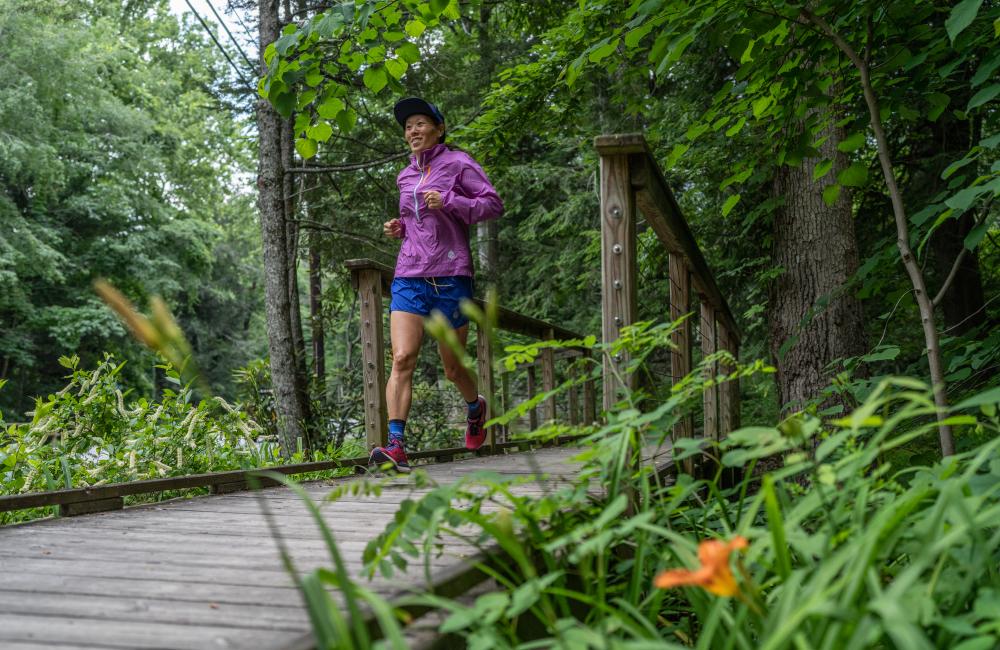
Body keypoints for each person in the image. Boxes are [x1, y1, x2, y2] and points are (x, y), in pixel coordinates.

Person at [369, 97, 504, 473]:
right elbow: (415, 223)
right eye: (408, 125)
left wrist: (449, 200)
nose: (412, 130)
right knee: (401, 358)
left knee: (453, 369)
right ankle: (396, 446)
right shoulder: (405, 176)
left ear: (439, 129)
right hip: (409, 274)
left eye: (420, 123)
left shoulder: (459, 163)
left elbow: (493, 204)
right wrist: (399, 229)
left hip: (450, 275)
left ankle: (474, 408)